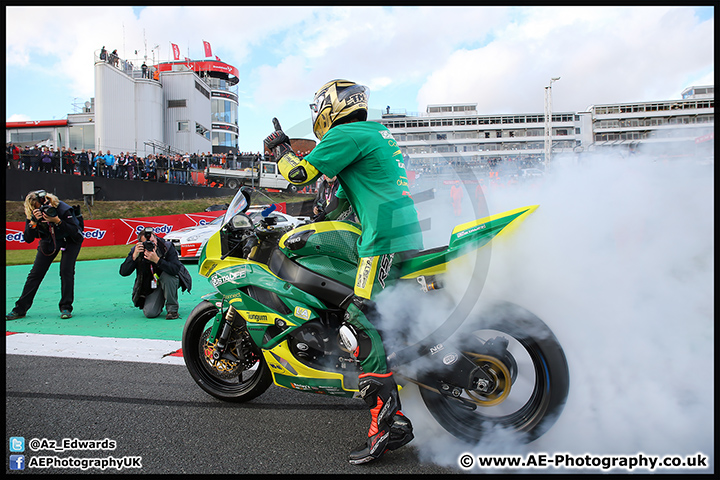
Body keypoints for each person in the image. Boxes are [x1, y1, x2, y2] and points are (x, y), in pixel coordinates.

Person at [264, 79, 422, 465]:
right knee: (383, 317)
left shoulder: (347, 133)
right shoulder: (372, 133)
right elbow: (341, 199)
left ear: (331, 107)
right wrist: (314, 217)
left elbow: (299, 174)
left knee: (359, 315)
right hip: (402, 230)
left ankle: (387, 422)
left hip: (382, 237)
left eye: (319, 106)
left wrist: (283, 149)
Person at [7, 190, 84, 321]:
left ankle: (66, 307)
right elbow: (28, 238)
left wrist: (57, 220)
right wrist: (33, 222)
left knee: (66, 271)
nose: (42, 210)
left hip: (71, 239)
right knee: (36, 273)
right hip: (50, 239)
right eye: (37, 209)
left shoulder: (63, 208)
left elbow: (76, 233)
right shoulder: (33, 214)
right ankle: (20, 309)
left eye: (43, 206)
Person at [119, 227, 191, 319]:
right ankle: (160, 297)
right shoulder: (137, 251)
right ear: (141, 244)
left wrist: (157, 260)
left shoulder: (166, 247)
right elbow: (123, 272)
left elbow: (175, 269)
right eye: (147, 243)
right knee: (150, 313)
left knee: (167, 276)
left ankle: (172, 310)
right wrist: (134, 257)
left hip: (169, 280)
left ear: (156, 237)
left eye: (153, 241)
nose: (152, 244)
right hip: (153, 285)